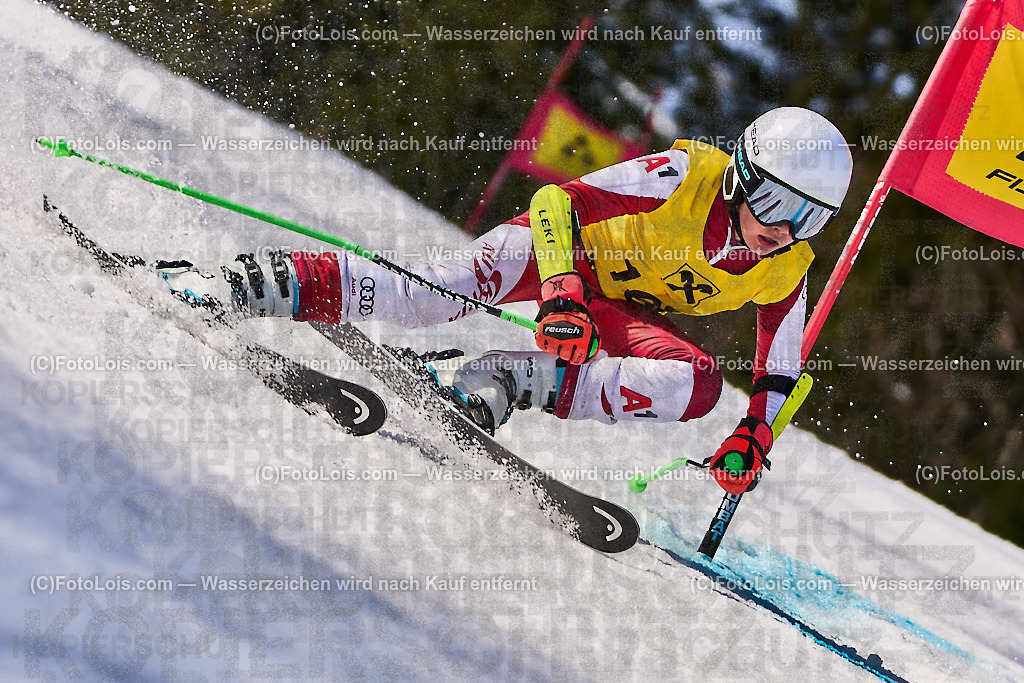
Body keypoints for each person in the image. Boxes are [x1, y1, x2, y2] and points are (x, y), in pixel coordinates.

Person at [159, 106, 853, 496]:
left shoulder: (785, 266)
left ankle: (496, 378)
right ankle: (251, 281)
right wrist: (560, 289)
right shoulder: (682, 176)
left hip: (615, 307)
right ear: (740, 176)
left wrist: (754, 435)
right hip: (559, 254)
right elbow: (557, 202)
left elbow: (778, 372)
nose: (783, 228)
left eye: (809, 217)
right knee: (422, 299)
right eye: (775, 201)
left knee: (697, 384)